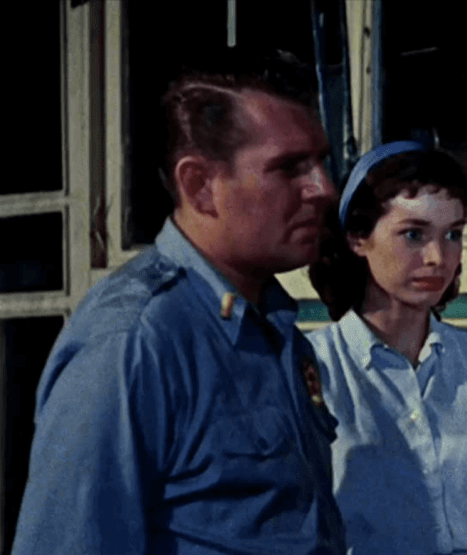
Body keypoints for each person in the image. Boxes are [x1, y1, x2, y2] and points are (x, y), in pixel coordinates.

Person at [12, 49, 346, 554]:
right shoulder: (133, 341)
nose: (323, 188)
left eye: (321, 162)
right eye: (289, 168)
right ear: (200, 185)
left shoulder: (274, 330)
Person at [306, 141, 467, 555]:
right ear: (358, 239)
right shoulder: (310, 367)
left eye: (452, 234)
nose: (438, 257)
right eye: (413, 234)